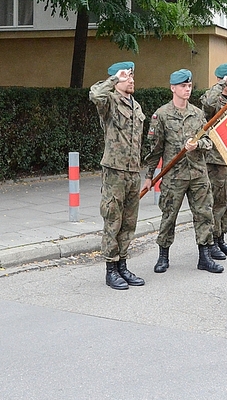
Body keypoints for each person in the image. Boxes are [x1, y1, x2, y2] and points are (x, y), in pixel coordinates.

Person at [143, 69, 223, 274]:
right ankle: (163, 256)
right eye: (183, 86)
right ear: (173, 88)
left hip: (198, 174)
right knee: (169, 216)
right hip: (174, 176)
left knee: (204, 214)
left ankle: (205, 256)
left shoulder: (197, 114)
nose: (187, 89)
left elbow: (209, 141)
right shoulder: (162, 115)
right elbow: (155, 149)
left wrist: (198, 145)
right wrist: (149, 176)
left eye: (189, 86)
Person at [89, 61, 147, 290]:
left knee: (129, 222)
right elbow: (95, 94)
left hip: (133, 171)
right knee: (113, 220)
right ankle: (111, 269)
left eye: (132, 75)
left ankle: (123, 264)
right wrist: (114, 78)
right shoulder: (110, 101)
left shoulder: (136, 106)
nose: (131, 79)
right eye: (127, 76)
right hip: (114, 171)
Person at [201, 63, 227, 258]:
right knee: (218, 202)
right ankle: (212, 241)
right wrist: (221, 85)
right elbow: (207, 105)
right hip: (217, 160)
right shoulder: (213, 98)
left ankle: (221, 237)